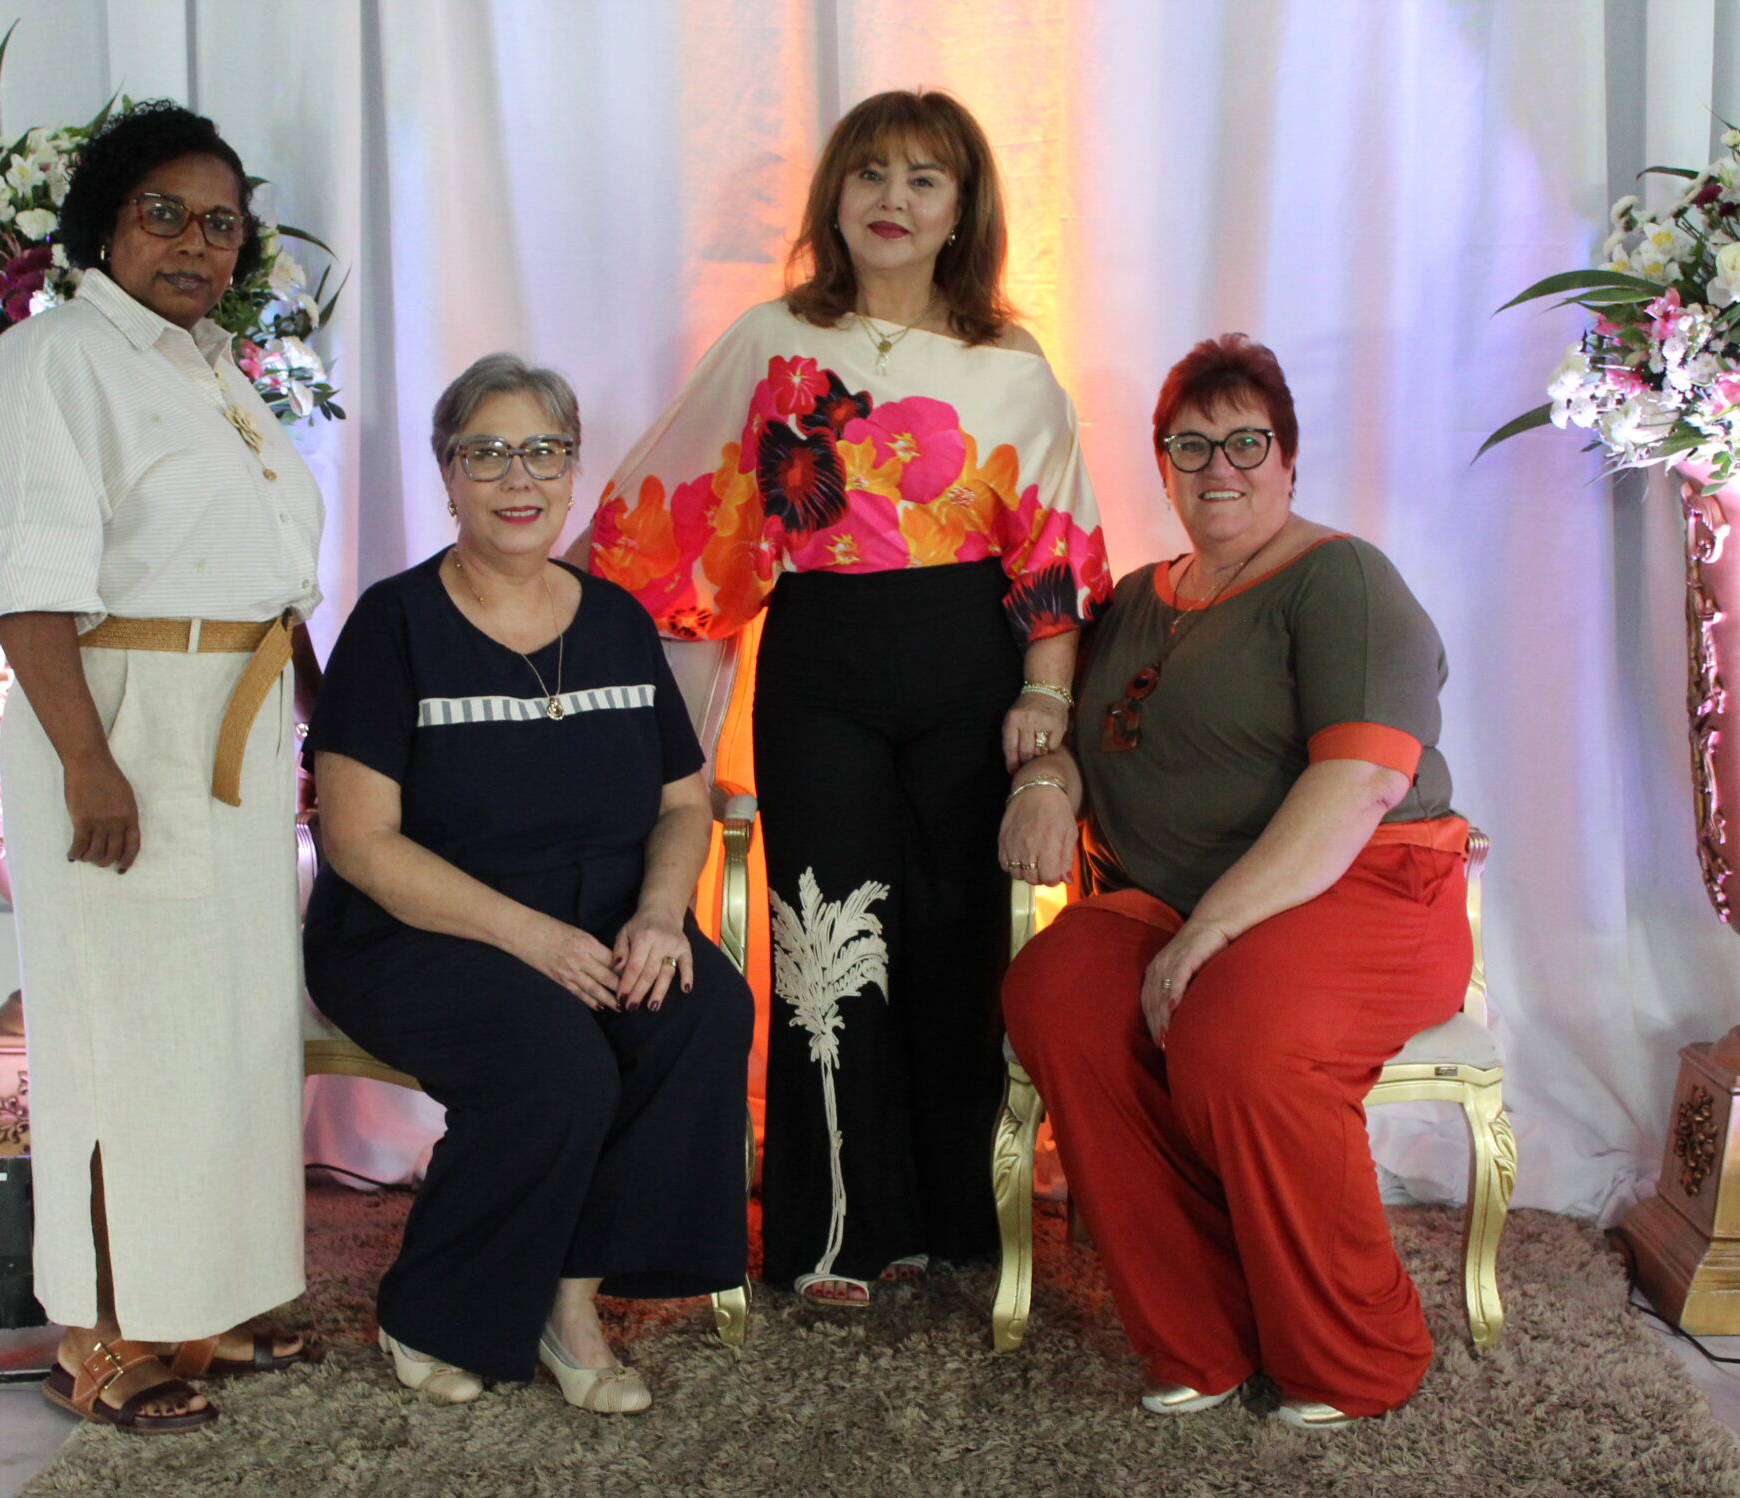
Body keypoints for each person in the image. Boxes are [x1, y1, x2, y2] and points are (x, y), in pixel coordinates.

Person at [588, 89, 1108, 1305]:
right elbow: (679, 502)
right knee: (823, 939)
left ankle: (951, 1215)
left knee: (952, 934)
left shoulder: (1011, 364)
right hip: (821, 662)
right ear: (834, 197)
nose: (893, 200)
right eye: (871, 173)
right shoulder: (772, 340)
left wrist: (1044, 707)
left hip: (968, 669)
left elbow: (1054, 556)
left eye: (925, 179)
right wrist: (543, 599)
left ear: (962, 210)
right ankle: (833, 1231)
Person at [998, 335, 1469, 1430]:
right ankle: (1201, 1328)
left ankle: (1358, 1353)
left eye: (1246, 442)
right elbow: (1083, 731)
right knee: (1055, 993)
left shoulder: (1342, 578)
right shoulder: (1132, 599)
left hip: (1358, 889)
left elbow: (1359, 783)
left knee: (1240, 1039)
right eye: (1191, 445)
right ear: (1161, 465)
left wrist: (1206, 935)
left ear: (1289, 459)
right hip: (1170, 900)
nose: (1220, 467)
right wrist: (1047, 781)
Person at [0, 101, 323, 1433]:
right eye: (164, 212)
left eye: (220, 223)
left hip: (232, 724)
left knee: (222, 1032)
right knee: (123, 1037)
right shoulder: (53, 359)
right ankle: (102, 1333)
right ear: (104, 222)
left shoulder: (213, 371)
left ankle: (202, 1299)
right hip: (120, 721)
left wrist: (319, 722)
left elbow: (267, 577)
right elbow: (25, 582)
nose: (195, 242)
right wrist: (89, 764)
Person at [304, 354, 751, 1414]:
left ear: (572, 470)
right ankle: (430, 1309)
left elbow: (682, 802)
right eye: (489, 454)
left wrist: (660, 915)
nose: (520, 478)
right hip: (420, 927)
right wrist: (534, 940)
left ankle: (569, 1297)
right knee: (557, 1062)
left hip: (602, 915)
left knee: (700, 1011)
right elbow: (360, 843)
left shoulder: (616, 622)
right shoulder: (394, 625)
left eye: (545, 453)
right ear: (448, 475)